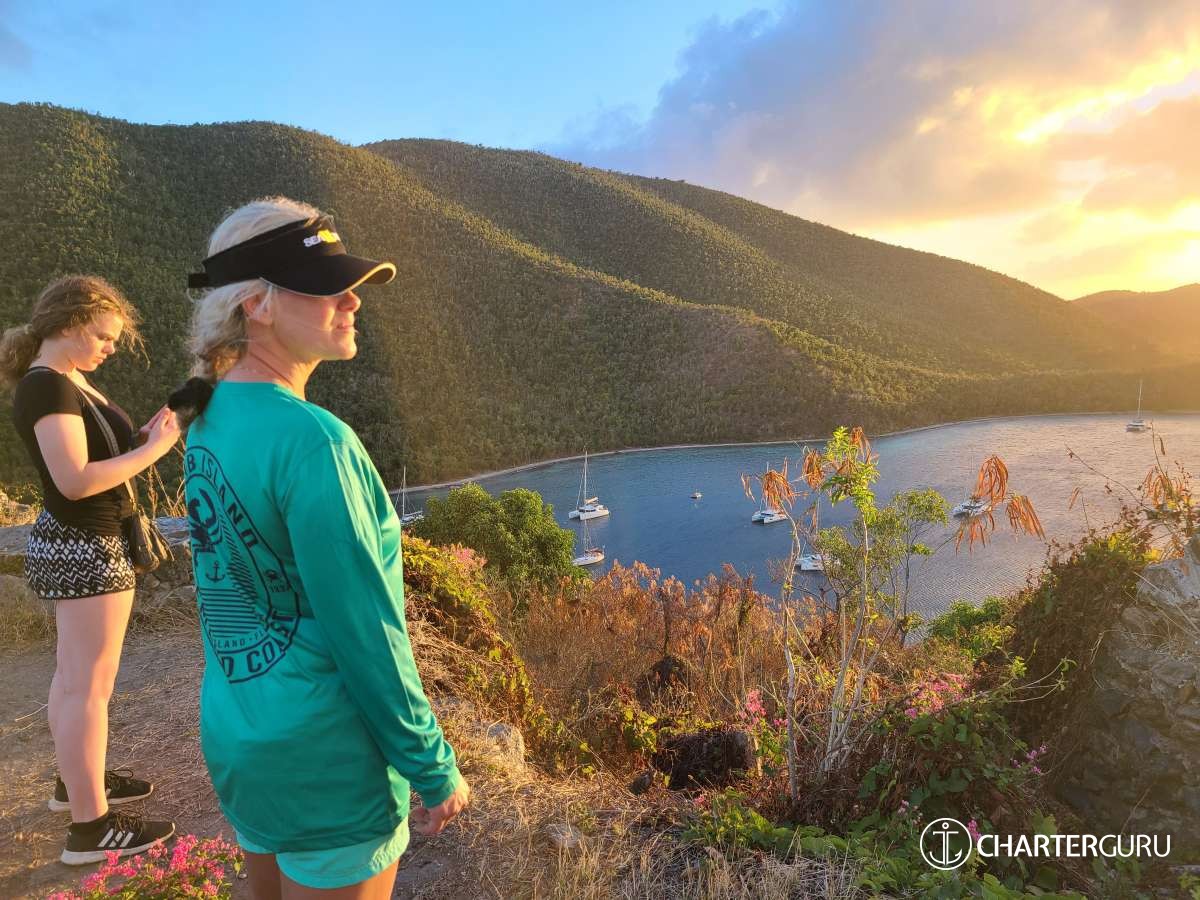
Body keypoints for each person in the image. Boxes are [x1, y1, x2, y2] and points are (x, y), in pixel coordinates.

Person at [171, 197, 469, 899]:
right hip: (328, 760)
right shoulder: (317, 443)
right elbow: (365, 633)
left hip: (243, 740)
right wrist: (431, 765)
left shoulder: (206, 417)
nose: (352, 300)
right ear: (257, 306)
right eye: (327, 287)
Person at [0, 275, 180, 865]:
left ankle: (75, 781)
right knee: (87, 687)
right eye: (103, 336)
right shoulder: (47, 386)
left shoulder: (66, 378)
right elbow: (74, 480)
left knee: (73, 678)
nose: (110, 347)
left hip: (83, 541)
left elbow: (96, 453)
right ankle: (90, 827)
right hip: (86, 544)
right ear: (70, 324)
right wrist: (153, 452)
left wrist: (149, 434)